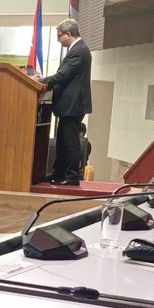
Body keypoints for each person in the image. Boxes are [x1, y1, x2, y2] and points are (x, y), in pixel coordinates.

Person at [38, 19, 92, 186]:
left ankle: (71, 176)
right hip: (71, 104)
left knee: (69, 141)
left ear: (69, 34)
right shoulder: (78, 49)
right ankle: (59, 173)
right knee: (63, 139)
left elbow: (63, 75)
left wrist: (42, 80)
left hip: (73, 104)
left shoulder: (78, 50)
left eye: (59, 35)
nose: (58, 39)